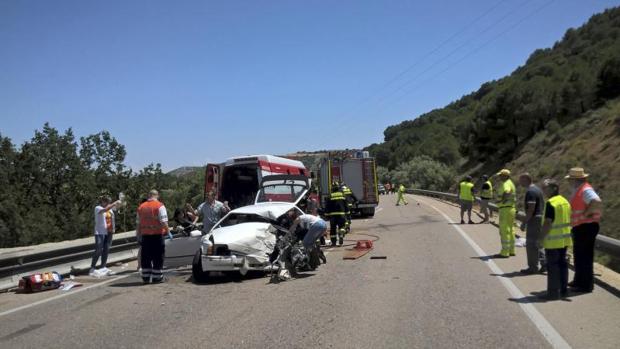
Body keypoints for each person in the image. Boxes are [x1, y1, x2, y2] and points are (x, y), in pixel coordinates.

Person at [566, 167, 602, 293]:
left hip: (586, 226)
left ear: (575, 179)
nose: (569, 182)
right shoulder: (580, 190)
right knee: (579, 255)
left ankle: (585, 285)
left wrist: (585, 215)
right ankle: (579, 280)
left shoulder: (585, 189)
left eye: (570, 179)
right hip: (582, 227)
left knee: (584, 256)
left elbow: (596, 201)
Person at [539, 179, 572, 300]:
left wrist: (540, 239)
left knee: (553, 267)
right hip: (564, 239)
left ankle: (553, 293)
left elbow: (548, 222)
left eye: (546, 188)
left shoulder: (551, 203)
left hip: (553, 241)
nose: (544, 191)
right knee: (563, 265)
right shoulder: (565, 201)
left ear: (554, 188)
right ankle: (563, 290)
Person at [136, 190, 170, 284]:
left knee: (146, 257)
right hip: (157, 236)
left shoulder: (141, 207)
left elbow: (138, 224)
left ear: (148, 195)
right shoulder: (159, 205)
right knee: (158, 257)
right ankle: (157, 277)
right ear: (157, 195)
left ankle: (145, 277)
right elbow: (163, 221)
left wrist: (138, 235)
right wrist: (168, 231)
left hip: (145, 236)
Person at [518, 173, 546, 274]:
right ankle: (544, 263)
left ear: (526, 179)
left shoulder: (531, 192)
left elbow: (531, 209)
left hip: (534, 219)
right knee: (537, 243)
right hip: (539, 218)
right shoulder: (537, 190)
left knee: (531, 244)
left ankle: (533, 267)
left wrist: (524, 222)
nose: (519, 182)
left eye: (521, 180)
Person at [90, 195, 122, 276]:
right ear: (103, 202)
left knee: (106, 249)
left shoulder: (110, 208)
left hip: (109, 231)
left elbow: (117, 208)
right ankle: (92, 267)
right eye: (107, 202)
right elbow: (105, 210)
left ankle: (103, 266)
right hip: (100, 232)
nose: (108, 204)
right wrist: (114, 203)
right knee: (98, 249)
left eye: (109, 202)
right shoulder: (98, 208)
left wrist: (120, 202)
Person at [496, 169, 517, 258]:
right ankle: (512, 250)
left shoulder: (506, 184)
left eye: (501, 175)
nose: (499, 177)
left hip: (505, 209)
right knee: (511, 229)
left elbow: (507, 192)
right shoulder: (511, 183)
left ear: (505, 176)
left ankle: (505, 252)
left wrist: (502, 201)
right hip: (511, 209)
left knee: (504, 230)